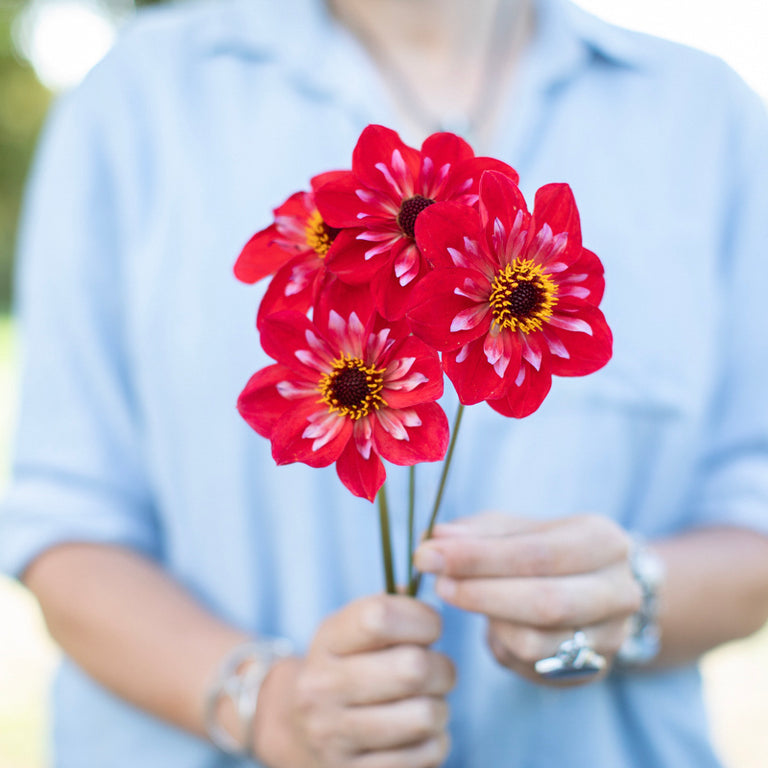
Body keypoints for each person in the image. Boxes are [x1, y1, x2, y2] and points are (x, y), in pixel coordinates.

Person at [1, 0, 768, 765]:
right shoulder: (139, 95)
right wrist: (266, 705)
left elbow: (753, 508)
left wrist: (633, 595)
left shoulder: (708, 114)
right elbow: (64, 522)